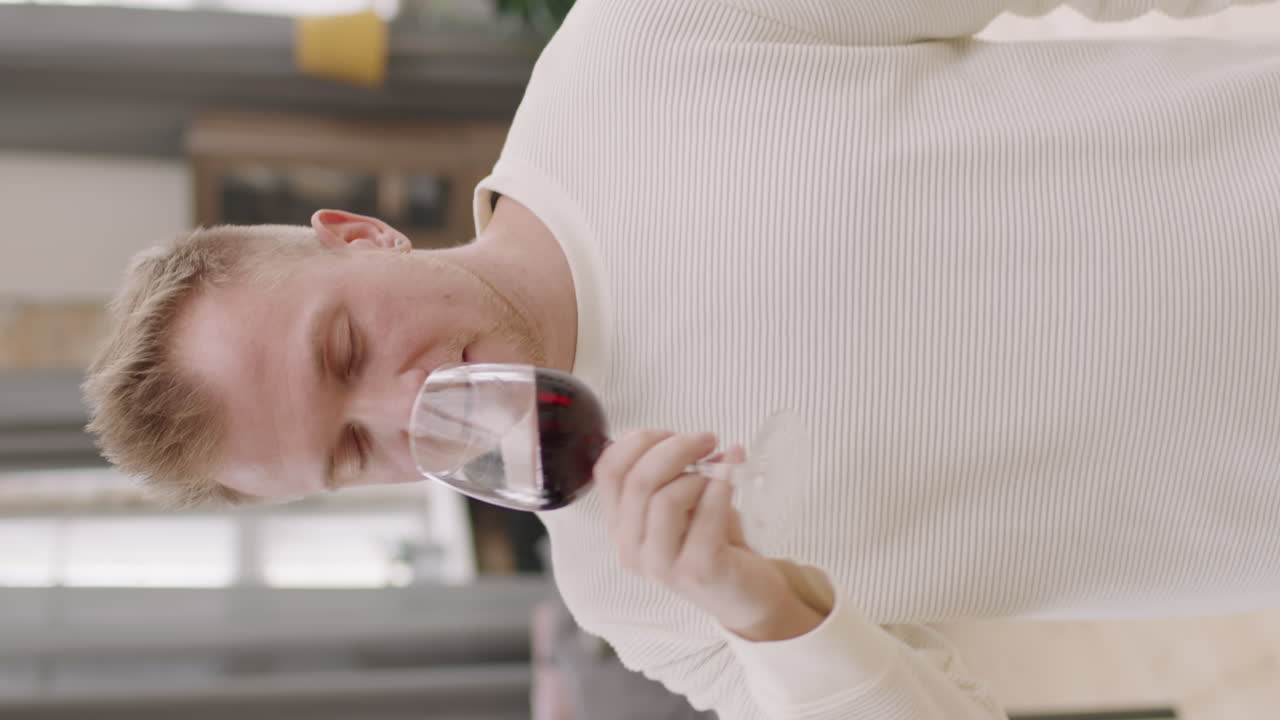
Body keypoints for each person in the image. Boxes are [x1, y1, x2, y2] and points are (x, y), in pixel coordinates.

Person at [83, 1, 1280, 717]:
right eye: (349, 451)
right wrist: (771, 617)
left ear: (355, 234)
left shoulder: (641, 43)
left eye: (344, 347)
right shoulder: (633, 596)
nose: (404, 406)